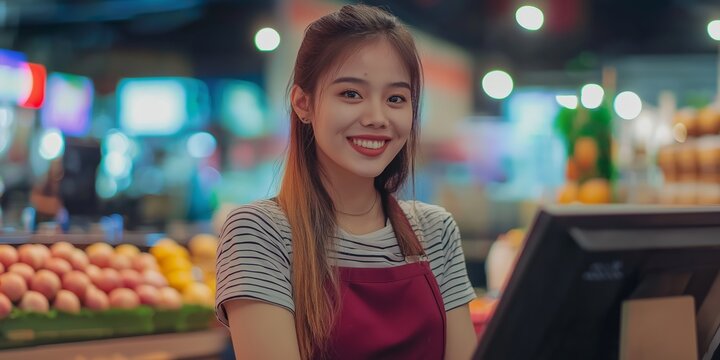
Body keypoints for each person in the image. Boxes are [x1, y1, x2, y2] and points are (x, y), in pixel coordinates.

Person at [215, 4, 477, 359]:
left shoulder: (436, 231)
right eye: (351, 94)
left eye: (396, 98)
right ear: (303, 104)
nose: (376, 117)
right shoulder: (260, 232)